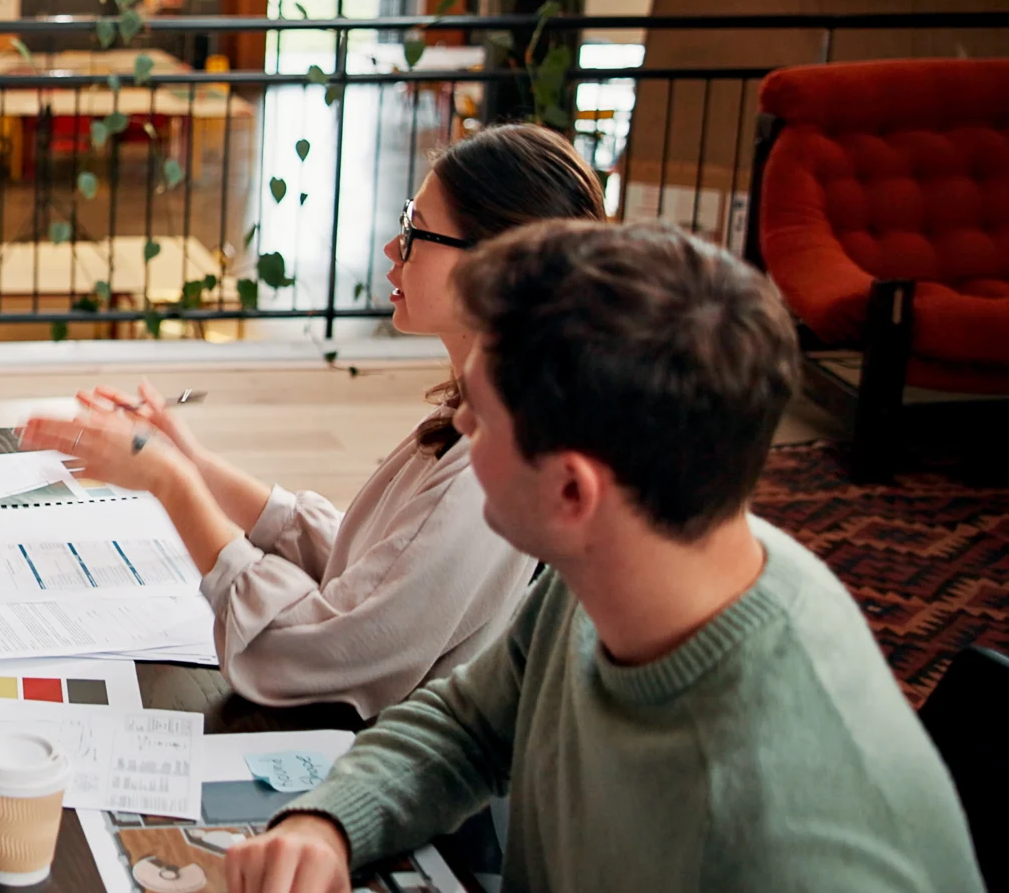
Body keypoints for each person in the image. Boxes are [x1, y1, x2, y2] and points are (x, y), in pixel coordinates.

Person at [224, 221, 981, 893]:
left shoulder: (779, 845)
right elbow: (469, 725)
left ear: (571, 491)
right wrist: (327, 824)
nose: (454, 422)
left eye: (479, 418)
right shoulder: (629, 562)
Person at [20, 124, 601, 715]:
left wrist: (171, 484)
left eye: (415, 230)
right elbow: (365, 562)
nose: (391, 250)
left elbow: (307, 653)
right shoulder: (483, 413)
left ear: (494, 270)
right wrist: (189, 460)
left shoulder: (488, 472)